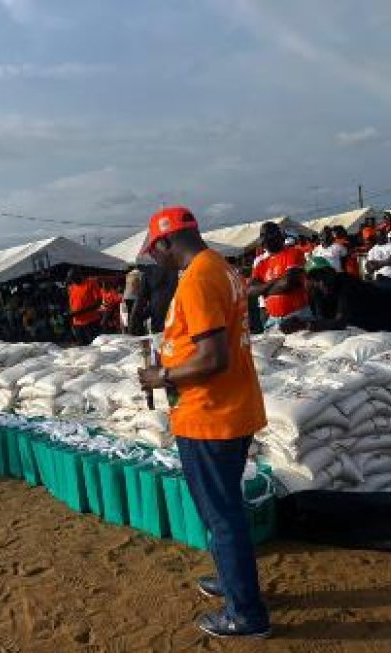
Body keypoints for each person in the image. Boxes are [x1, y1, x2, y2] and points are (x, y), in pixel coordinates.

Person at [137, 206, 270, 639]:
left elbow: (213, 357)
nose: (154, 260)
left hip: (210, 414)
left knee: (221, 514)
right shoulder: (220, 268)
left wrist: (165, 375)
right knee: (225, 507)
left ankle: (245, 614)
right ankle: (236, 584)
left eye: (153, 251)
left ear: (164, 243)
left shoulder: (197, 279)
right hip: (229, 407)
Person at [283, 257, 391, 333]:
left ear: (332, 273)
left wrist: (304, 324)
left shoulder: (346, 283)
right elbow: (320, 318)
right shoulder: (315, 292)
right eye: (316, 278)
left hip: (390, 309)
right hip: (364, 319)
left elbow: (340, 322)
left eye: (324, 275)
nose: (322, 282)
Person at [249, 222, 311, 330]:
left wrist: (263, 290)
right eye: (264, 239)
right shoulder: (261, 263)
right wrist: (276, 282)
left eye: (270, 238)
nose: (266, 242)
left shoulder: (293, 253)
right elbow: (251, 290)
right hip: (272, 320)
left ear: (280, 237)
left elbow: (288, 283)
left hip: (297, 316)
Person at [129, 264, 178, 335]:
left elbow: (141, 300)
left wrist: (135, 322)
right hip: (173, 319)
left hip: (159, 320)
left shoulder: (150, 270)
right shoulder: (175, 267)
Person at [66, 268, 102, 345]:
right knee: (83, 348)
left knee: (96, 346)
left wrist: (79, 312)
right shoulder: (71, 287)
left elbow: (98, 303)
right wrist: (71, 315)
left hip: (91, 322)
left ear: (79, 275)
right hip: (77, 324)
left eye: (73, 278)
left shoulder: (91, 283)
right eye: (71, 279)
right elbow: (72, 304)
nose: (72, 281)